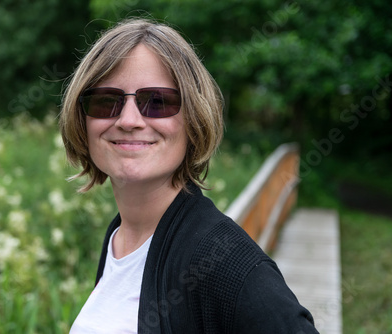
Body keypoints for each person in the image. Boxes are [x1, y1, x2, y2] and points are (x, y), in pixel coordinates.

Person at [60, 18, 318, 334]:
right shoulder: (119, 240)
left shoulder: (225, 264)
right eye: (106, 101)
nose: (129, 120)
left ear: (193, 118)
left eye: (157, 101)